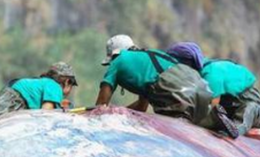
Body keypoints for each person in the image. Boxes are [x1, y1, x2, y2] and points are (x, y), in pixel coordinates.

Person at [94, 35, 236, 137]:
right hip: (195, 81)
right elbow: (141, 107)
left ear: (114, 54)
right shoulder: (148, 58)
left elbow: (100, 106)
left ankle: (209, 118)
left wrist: (105, 112)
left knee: (175, 119)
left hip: (170, 85)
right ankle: (212, 114)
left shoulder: (118, 61)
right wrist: (120, 110)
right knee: (194, 115)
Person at [167, 42, 260, 136]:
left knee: (248, 110)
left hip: (254, 112)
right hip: (227, 111)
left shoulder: (212, 73)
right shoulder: (199, 76)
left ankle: (234, 130)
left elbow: (213, 103)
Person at [0, 62, 78, 127]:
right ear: (67, 81)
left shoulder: (41, 82)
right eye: (72, 85)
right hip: (7, 106)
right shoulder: (55, 86)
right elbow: (45, 115)